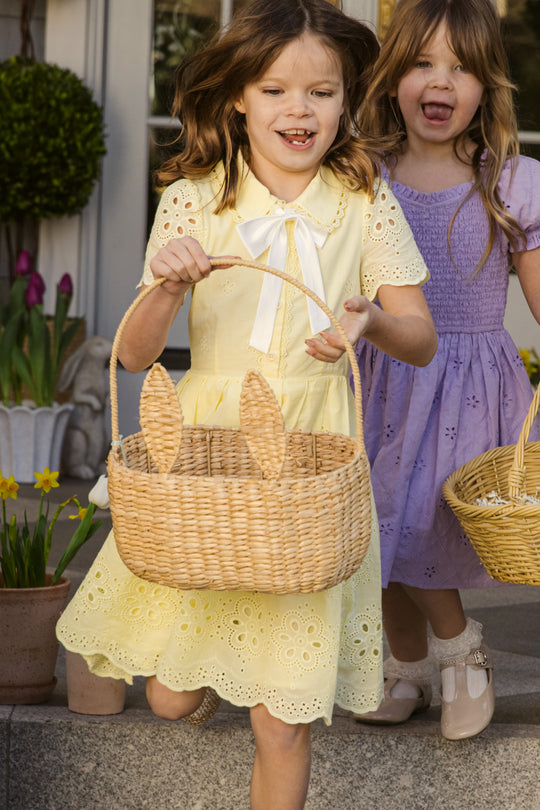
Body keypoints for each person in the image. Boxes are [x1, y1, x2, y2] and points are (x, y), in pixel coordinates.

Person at [56, 1, 436, 806]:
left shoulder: (365, 201)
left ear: (348, 99)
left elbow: (422, 337)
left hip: (309, 458)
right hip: (208, 455)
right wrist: (167, 283)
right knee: (168, 696)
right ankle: (208, 670)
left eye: (322, 93)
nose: (299, 110)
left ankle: (266, 694)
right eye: (274, 90)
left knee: (281, 720)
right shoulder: (196, 197)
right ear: (237, 97)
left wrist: (369, 321)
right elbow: (133, 353)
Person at [354, 0, 540, 741]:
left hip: (463, 384)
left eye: (460, 67)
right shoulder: (365, 173)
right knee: (376, 534)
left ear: (486, 84)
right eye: (423, 63)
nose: (441, 81)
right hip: (379, 372)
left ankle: (462, 651)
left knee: (423, 523)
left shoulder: (510, 181)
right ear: (394, 76)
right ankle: (409, 666)